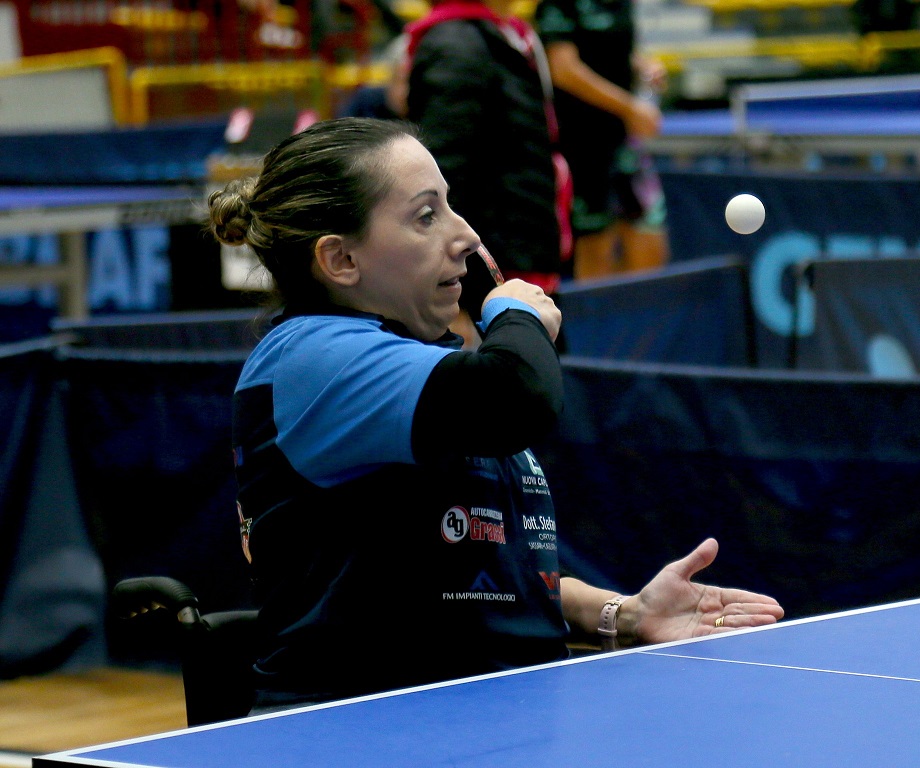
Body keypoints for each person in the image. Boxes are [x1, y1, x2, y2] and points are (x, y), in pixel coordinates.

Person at [208, 117, 784, 713]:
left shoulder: (423, 368)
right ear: (341, 259)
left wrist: (624, 613)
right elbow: (517, 395)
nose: (466, 236)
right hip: (359, 729)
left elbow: (481, 582)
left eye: (449, 206)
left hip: (487, 719)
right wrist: (517, 317)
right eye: (425, 216)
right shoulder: (311, 358)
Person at [404, 0, 573, 345]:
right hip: (489, 276)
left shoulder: (505, 35)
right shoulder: (455, 44)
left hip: (523, 257)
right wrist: (450, 295)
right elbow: (442, 178)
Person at [534, 0, 670, 280]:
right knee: (596, 252)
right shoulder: (558, 5)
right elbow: (563, 69)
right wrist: (629, 108)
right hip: (582, 145)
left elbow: (612, 49)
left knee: (651, 244)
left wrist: (642, 66)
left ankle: (639, 311)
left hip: (626, 144)